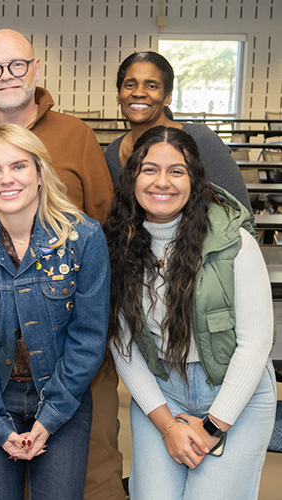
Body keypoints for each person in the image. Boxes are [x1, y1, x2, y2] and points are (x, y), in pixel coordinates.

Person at [0, 28, 122, 500]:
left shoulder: (84, 233)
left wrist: (51, 415)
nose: (7, 179)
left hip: (63, 383)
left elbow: (87, 331)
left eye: (20, 166)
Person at [104, 126, 276, 499]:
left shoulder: (233, 241)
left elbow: (255, 343)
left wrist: (212, 428)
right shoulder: (117, 244)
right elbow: (124, 345)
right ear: (132, 176)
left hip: (234, 391)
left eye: (176, 171)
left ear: (194, 179)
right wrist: (168, 426)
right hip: (164, 392)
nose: (162, 182)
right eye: (149, 169)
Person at [104, 51, 252, 215]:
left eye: (151, 86)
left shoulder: (199, 139)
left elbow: (241, 212)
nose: (139, 93)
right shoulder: (113, 153)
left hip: (198, 239)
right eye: (130, 85)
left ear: (168, 97)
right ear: (119, 95)